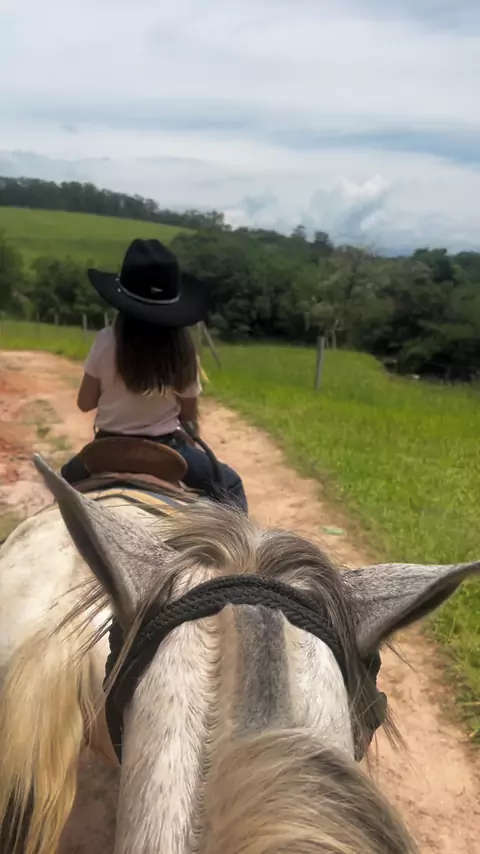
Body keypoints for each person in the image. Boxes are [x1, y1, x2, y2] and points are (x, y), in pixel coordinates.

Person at [61, 238, 247, 512]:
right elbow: (188, 414)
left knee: (62, 482)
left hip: (107, 448)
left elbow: (84, 402)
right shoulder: (182, 349)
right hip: (166, 450)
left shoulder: (105, 340)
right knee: (230, 484)